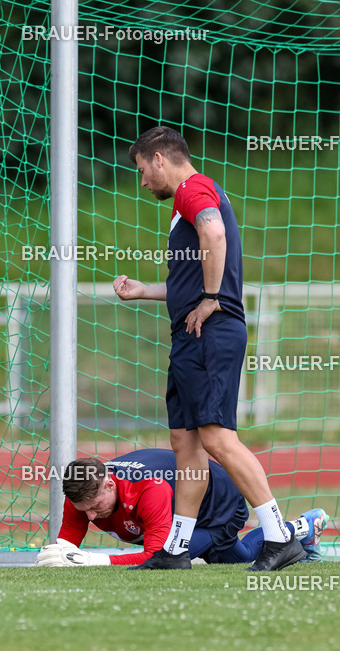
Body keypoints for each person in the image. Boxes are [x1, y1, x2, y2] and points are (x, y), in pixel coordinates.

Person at [113, 126, 305, 570]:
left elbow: (214, 236)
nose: (143, 182)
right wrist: (146, 291)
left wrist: (212, 299)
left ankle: (279, 536)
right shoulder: (188, 199)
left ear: (159, 159)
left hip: (210, 331)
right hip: (191, 332)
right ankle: (176, 549)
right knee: (185, 442)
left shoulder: (192, 190)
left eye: (143, 170)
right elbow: (191, 278)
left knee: (217, 438)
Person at [35, 451, 327, 567]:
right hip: (181, 504)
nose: (89, 516)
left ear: (110, 486)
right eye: (81, 509)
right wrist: (56, 554)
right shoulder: (82, 491)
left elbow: (155, 556)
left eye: (94, 507)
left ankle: (299, 527)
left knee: (236, 558)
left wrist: (90, 561)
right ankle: (296, 529)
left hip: (219, 505)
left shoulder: (150, 490)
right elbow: (65, 547)